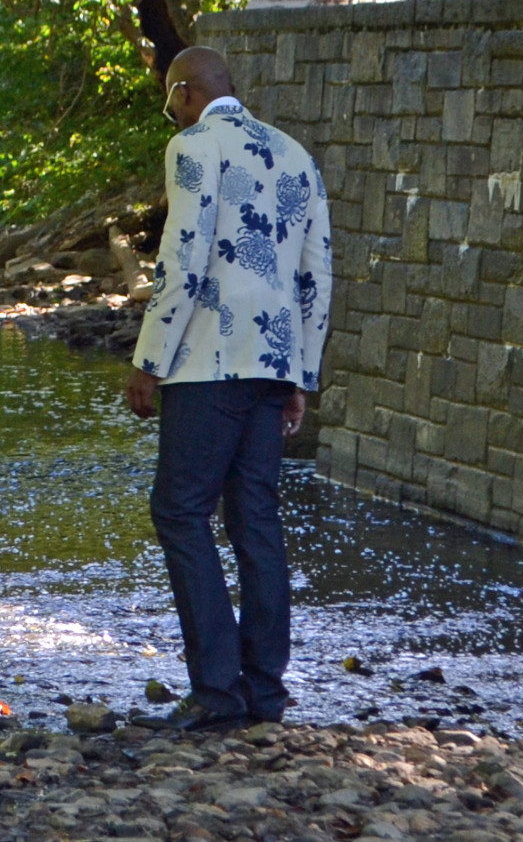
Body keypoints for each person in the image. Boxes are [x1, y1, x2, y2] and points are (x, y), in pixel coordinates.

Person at [126, 46, 332, 732]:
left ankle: (216, 690)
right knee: (256, 524)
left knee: (180, 512)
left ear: (186, 94)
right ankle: (264, 694)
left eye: (167, 99)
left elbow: (184, 254)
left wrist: (148, 359)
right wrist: (300, 373)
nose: (169, 111)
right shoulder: (294, 153)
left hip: (205, 361)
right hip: (271, 361)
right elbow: (315, 275)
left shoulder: (192, 146)